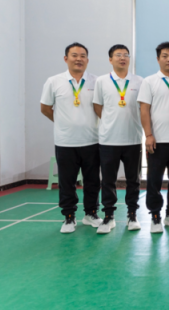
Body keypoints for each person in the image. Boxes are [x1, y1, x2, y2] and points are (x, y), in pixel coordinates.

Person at [40, 43, 102, 233]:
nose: (78, 59)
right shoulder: (54, 81)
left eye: (82, 56)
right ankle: (69, 217)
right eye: (74, 55)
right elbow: (45, 108)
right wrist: (63, 122)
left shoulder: (97, 82)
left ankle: (91, 213)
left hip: (92, 141)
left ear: (87, 60)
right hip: (65, 142)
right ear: (66, 58)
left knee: (93, 182)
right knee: (67, 183)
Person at [137, 42, 169, 234]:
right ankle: (155, 216)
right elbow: (144, 110)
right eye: (165, 56)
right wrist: (148, 135)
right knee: (154, 180)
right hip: (157, 141)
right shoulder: (149, 82)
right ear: (158, 59)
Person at [94, 45, 144, 234]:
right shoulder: (101, 81)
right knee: (108, 181)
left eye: (126, 55)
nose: (123, 58)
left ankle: (132, 215)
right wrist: (110, 122)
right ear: (110, 59)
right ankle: (108, 216)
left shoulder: (139, 81)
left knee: (134, 181)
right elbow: (98, 106)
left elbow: (143, 108)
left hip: (133, 139)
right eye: (118, 55)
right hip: (108, 140)